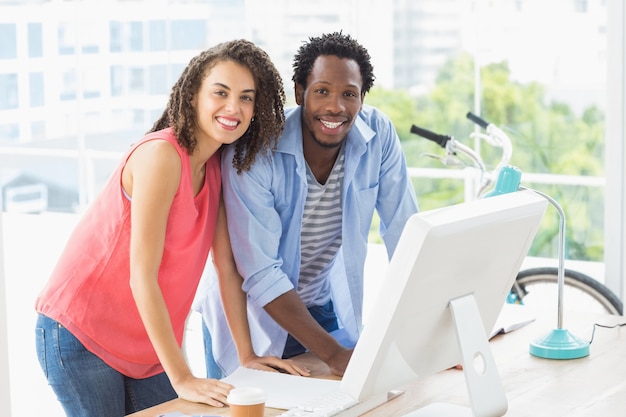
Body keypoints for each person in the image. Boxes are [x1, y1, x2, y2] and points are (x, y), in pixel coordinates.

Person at [34, 39, 291, 417]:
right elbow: (142, 276)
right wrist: (183, 376)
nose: (234, 107)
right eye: (220, 93)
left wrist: (246, 354)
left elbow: (227, 267)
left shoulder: (218, 166)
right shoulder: (161, 157)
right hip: (80, 332)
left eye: (246, 97)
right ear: (192, 97)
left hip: (146, 345)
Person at [196, 31, 419, 379]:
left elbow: (406, 232)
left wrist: (429, 336)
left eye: (349, 94)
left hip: (320, 304)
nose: (335, 106)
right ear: (300, 92)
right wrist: (334, 355)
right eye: (322, 91)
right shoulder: (254, 153)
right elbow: (261, 272)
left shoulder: (379, 135)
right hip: (252, 315)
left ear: (362, 98)